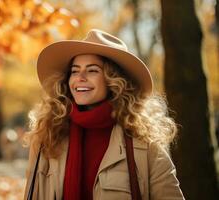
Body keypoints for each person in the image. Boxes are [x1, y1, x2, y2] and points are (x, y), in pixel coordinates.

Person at [23, 29, 184, 200]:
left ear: (113, 80)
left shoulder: (145, 145)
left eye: (92, 70)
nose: (80, 77)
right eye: (75, 71)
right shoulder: (47, 136)